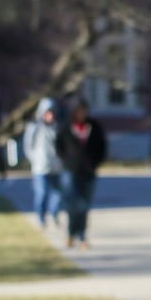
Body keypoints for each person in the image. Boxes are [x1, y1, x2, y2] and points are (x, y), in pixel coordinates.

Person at [56, 99, 107, 250]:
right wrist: (66, 161)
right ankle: (71, 234)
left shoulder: (94, 127)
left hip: (89, 172)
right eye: (79, 111)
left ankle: (82, 236)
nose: (82, 114)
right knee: (73, 204)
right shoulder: (66, 127)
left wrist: (95, 163)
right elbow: (59, 146)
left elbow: (102, 147)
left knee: (84, 205)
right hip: (71, 172)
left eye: (84, 110)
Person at [22, 99, 63, 228]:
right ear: (42, 113)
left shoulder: (58, 128)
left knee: (58, 194)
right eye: (47, 113)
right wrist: (34, 160)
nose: (50, 116)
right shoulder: (34, 128)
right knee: (42, 193)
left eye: (52, 113)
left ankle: (54, 213)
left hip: (57, 167)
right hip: (40, 167)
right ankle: (41, 217)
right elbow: (28, 147)